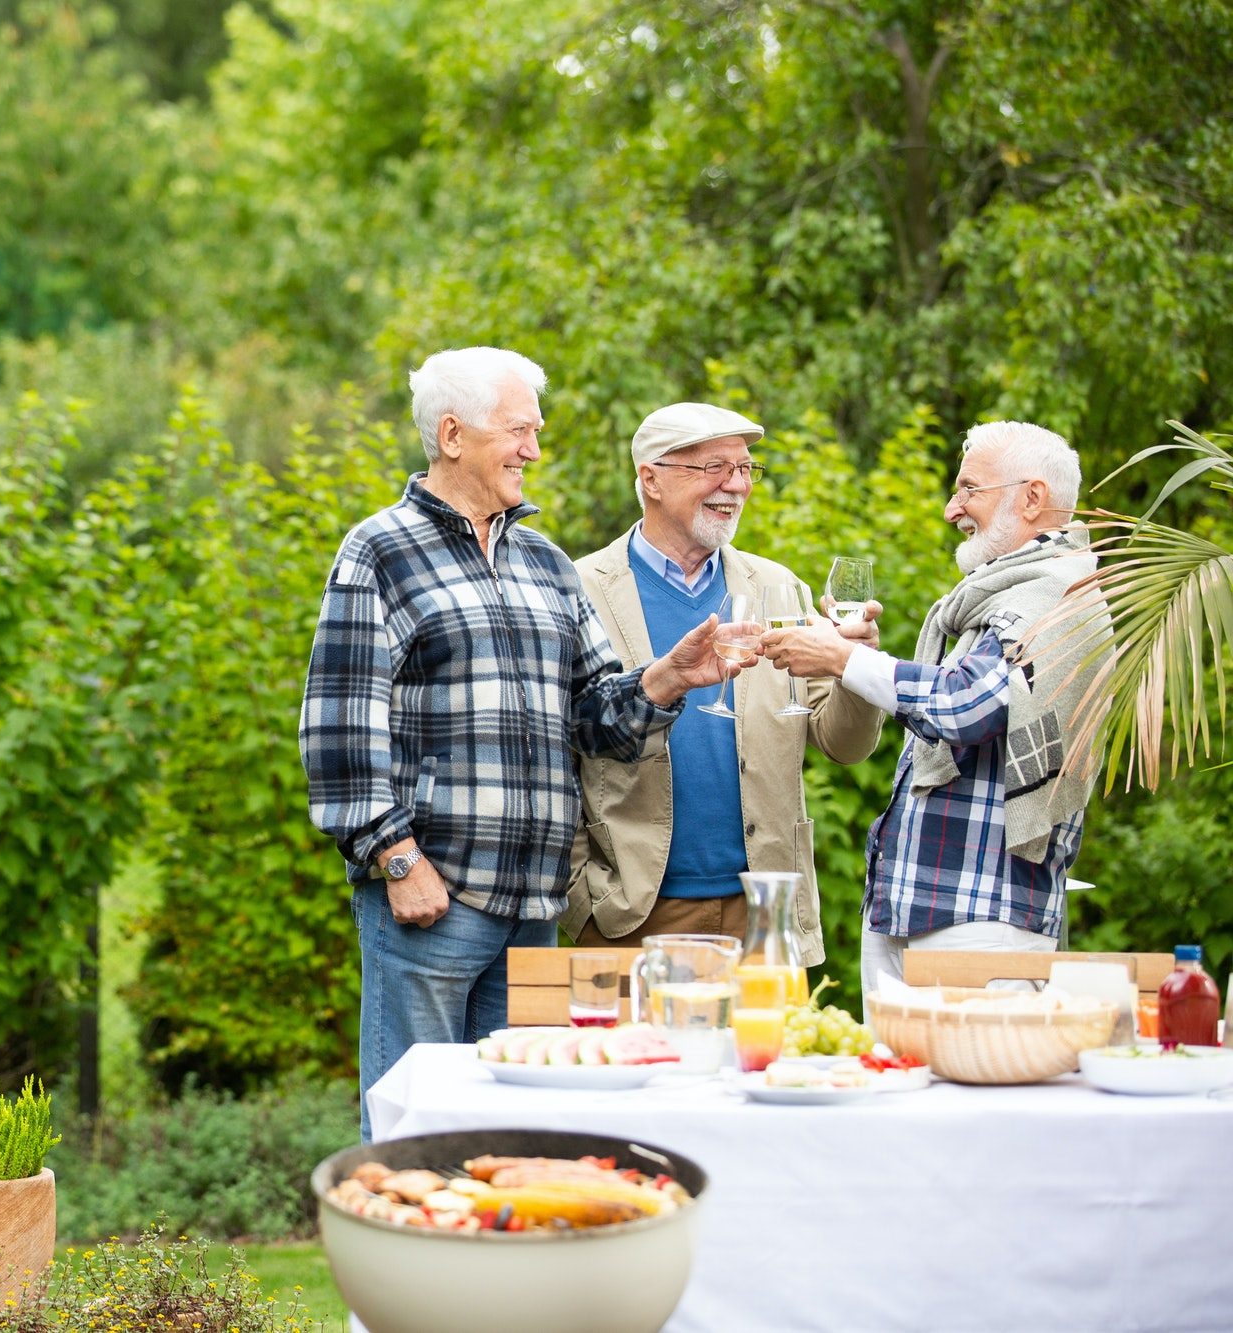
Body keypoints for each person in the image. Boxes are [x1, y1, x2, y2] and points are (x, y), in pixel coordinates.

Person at [299, 347, 740, 1138]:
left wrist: (669, 678)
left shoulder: (545, 563)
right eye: (519, 431)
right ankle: (406, 1263)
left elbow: (597, 718)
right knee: (416, 1133)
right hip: (432, 904)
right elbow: (338, 725)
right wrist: (396, 859)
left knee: (513, 1130)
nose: (535, 450)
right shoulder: (379, 551)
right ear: (453, 434)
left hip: (535, 906)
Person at [761, 420, 1108, 996]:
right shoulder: (1001, 595)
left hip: (983, 918)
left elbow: (965, 706)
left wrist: (842, 662)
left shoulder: (1058, 596)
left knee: (975, 1082)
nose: (952, 509)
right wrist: (855, 657)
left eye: (968, 488)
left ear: (1032, 497)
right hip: (920, 909)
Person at [566, 404, 885, 964]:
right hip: (629, 912)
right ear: (651, 478)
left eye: (745, 469)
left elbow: (845, 745)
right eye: (715, 467)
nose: (735, 485)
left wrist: (851, 667)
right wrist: (580, 899)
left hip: (765, 907)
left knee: (767, 1055)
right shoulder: (579, 588)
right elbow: (550, 747)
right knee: (633, 1056)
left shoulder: (781, 587)